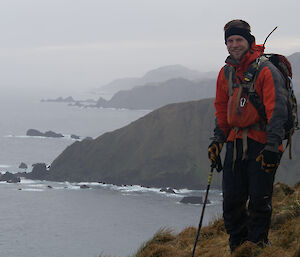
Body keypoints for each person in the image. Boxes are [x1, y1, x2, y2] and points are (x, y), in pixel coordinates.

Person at [208, 19, 287, 253]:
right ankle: (238, 249)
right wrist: (217, 141)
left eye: (238, 39)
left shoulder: (265, 70)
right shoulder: (226, 73)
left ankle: (257, 249)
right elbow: (221, 109)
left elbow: (278, 110)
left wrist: (273, 147)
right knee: (232, 203)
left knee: (259, 202)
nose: (234, 44)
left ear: (249, 41)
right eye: (230, 40)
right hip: (234, 145)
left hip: (262, 145)